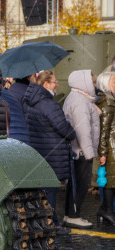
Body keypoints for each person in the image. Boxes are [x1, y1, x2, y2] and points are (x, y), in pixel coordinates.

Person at [24, 70, 76, 234]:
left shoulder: (30, 102)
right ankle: (50, 224)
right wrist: (72, 133)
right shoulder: (49, 104)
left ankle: (46, 221)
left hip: (39, 150)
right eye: (54, 82)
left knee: (44, 190)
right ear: (46, 84)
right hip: (53, 153)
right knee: (51, 189)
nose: (57, 85)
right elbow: (63, 128)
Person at [62, 70, 99, 228]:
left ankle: (70, 214)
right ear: (84, 83)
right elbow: (83, 129)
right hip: (81, 152)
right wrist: (89, 152)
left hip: (77, 150)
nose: (95, 85)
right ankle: (73, 215)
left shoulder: (79, 98)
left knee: (74, 184)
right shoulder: (80, 101)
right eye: (93, 82)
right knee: (80, 184)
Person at [97, 72, 115, 225]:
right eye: (114, 81)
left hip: (111, 146)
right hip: (111, 147)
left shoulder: (110, 100)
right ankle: (107, 211)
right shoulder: (108, 102)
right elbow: (104, 130)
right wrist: (103, 152)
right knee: (110, 181)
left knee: (110, 180)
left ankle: (105, 209)